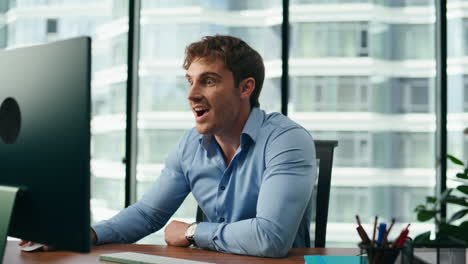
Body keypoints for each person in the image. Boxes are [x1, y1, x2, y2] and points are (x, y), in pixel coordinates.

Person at [21, 35, 316, 258]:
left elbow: (271, 238)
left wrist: (191, 232)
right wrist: (86, 234)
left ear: (246, 88)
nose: (192, 94)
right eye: (190, 81)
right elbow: (149, 214)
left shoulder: (286, 140)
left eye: (208, 81)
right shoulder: (190, 145)